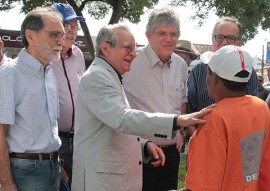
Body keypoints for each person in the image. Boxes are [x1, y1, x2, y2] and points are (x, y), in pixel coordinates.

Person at [71, 23, 213, 191]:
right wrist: (177, 121)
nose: (133, 53)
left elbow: (112, 126)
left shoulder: (111, 75)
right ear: (105, 48)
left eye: (134, 48)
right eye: (127, 48)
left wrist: (143, 144)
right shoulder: (97, 77)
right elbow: (122, 118)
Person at [180, 45, 270, 191]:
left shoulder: (215, 117)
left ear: (214, 79)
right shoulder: (261, 108)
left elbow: (202, 186)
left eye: (207, 72)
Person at [122, 7, 187, 191]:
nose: (168, 39)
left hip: (172, 154)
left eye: (173, 34)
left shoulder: (181, 65)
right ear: (148, 35)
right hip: (142, 154)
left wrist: (180, 130)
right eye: (162, 33)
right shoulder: (131, 63)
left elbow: (182, 98)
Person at [0, 7, 65, 191]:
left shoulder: (49, 72)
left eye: (62, 35)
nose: (61, 41)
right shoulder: (8, 74)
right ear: (30, 36)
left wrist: (59, 166)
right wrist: (6, 182)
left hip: (53, 166)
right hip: (25, 171)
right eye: (54, 35)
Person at [187, 16, 258, 113]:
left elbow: (252, 109)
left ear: (239, 42)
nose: (224, 42)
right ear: (212, 39)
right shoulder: (198, 70)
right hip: (203, 128)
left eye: (231, 38)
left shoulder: (248, 71)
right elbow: (189, 110)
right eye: (219, 37)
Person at [51, 3, 86, 187]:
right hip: (55, 140)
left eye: (75, 26)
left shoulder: (78, 54)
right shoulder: (45, 57)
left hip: (79, 137)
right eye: (67, 26)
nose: (72, 31)